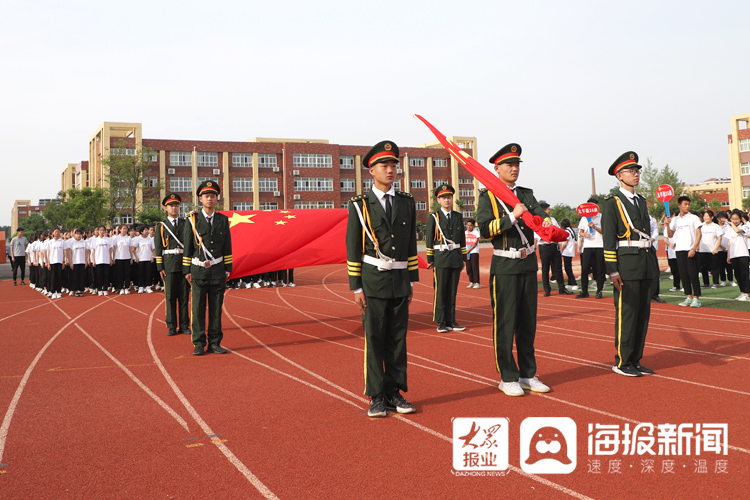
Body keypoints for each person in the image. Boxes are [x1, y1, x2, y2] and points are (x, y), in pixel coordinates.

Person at [346, 140, 419, 417]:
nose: (390, 170)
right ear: (371, 171)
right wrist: (356, 287)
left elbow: (411, 244)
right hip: (373, 281)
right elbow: (353, 246)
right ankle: (376, 395)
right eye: (384, 166)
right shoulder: (360, 205)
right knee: (375, 338)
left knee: (398, 339)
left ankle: (394, 391)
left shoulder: (406, 203)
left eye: (393, 165)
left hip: (400, 280)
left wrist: (411, 280)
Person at [476, 142, 552, 397]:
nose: (514, 169)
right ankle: (507, 376)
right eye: (509, 165)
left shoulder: (527, 194)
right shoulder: (488, 196)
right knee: (506, 323)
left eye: (517, 164)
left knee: (528, 323)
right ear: (496, 168)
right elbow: (485, 229)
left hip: (528, 264)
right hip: (505, 265)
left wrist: (549, 224)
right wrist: (512, 217)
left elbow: (541, 216)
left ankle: (527, 374)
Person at [601, 151, 655, 377]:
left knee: (643, 314)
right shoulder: (613, 203)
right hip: (626, 264)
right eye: (631, 171)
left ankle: (636, 359)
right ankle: (622, 361)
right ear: (619, 175)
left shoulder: (641, 201)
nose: (636, 174)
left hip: (644, 262)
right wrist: (612, 270)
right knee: (627, 313)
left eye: (637, 171)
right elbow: (609, 239)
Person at [183, 180, 233, 356]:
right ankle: (198, 343)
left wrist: (228, 268)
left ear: (216, 198)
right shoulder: (192, 220)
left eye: (212, 196)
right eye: (206, 196)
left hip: (217, 270)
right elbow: (188, 247)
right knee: (197, 309)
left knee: (215, 309)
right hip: (198, 271)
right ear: (200, 199)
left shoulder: (223, 220)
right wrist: (187, 270)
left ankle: (214, 342)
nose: (209, 199)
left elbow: (227, 246)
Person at [426, 184, 467, 333]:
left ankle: (452, 320)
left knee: (452, 291)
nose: (447, 200)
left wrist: (464, 257)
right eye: (443, 197)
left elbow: (462, 239)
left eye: (449, 197)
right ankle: (441, 321)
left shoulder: (457, 216)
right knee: (440, 291)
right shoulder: (434, 217)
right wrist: (430, 258)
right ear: (438, 200)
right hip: (441, 258)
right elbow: (429, 239)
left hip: (455, 258)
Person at [155, 193, 191, 337]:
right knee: (170, 297)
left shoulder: (186, 223)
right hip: (169, 264)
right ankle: (171, 325)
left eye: (176, 205)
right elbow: (158, 248)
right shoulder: (161, 226)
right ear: (166, 208)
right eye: (171, 205)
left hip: (184, 263)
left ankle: (184, 325)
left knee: (184, 296)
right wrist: (160, 267)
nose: (174, 208)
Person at [666, 196, 702, 307]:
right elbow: (670, 234)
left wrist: (693, 248)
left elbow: (699, 234)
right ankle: (688, 297)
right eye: (685, 204)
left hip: (690, 250)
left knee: (693, 275)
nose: (687, 206)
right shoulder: (675, 220)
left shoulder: (694, 218)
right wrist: (667, 224)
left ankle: (696, 298)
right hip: (679, 250)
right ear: (679, 205)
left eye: (688, 204)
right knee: (684, 275)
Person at [537, 203, 573, 297]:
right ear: (544, 210)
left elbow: (557, 231)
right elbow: (537, 236)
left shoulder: (553, 220)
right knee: (545, 269)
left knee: (558, 268)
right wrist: (549, 235)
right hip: (544, 246)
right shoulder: (538, 221)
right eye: (548, 209)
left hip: (554, 246)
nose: (550, 211)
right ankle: (547, 289)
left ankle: (562, 288)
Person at [577, 198, 606, 299]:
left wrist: (595, 227)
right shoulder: (584, 218)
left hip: (599, 246)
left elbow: (605, 231)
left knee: (599, 269)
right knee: (584, 269)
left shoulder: (602, 217)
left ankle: (599, 291)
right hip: (588, 246)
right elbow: (580, 232)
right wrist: (583, 234)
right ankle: (584, 291)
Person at [725, 209, 750, 301]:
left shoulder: (744, 227)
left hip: (743, 254)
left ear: (740, 219)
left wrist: (731, 224)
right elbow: (729, 242)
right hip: (734, 255)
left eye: (737, 219)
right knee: (737, 275)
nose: (735, 221)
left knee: (745, 274)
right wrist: (728, 255)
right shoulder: (728, 230)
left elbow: (737, 231)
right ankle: (742, 292)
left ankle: (746, 294)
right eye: (733, 219)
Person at [697, 210, 723, 289]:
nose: (705, 218)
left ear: (712, 217)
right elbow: (697, 236)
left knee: (714, 267)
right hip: (702, 250)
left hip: (713, 250)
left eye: (707, 216)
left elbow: (719, 238)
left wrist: (716, 248)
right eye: (704, 216)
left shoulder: (716, 226)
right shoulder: (700, 226)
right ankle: (706, 283)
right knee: (703, 267)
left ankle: (716, 283)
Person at [90, 226, 114, 296]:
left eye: (103, 230)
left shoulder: (108, 239)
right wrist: (94, 261)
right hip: (98, 260)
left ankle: (105, 289)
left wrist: (110, 259)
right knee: (99, 276)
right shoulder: (95, 240)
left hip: (106, 260)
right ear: (98, 231)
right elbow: (93, 251)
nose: (102, 232)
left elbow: (110, 250)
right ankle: (100, 289)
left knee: (106, 276)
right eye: (100, 230)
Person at [112, 224, 134, 294]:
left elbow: (130, 249)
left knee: (127, 274)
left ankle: (127, 288)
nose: (125, 230)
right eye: (123, 228)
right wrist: (113, 258)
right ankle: (120, 288)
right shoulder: (116, 238)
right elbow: (114, 249)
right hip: (118, 258)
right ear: (120, 230)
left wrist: (131, 258)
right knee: (119, 274)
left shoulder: (129, 238)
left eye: (126, 229)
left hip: (127, 258)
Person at [649, 215, 666, 303]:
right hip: (637, 248)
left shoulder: (649, 217)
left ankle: (654, 295)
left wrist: (652, 238)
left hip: (650, 247)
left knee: (655, 271)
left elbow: (655, 229)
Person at [133, 225, 155, 293]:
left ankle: (148, 286)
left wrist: (152, 256)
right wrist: (136, 257)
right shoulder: (138, 239)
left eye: (147, 230)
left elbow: (154, 249)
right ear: (141, 232)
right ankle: (141, 287)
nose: (147, 231)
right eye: (145, 230)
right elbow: (133, 249)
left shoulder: (150, 239)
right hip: (141, 258)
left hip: (148, 258)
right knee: (140, 273)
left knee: (148, 273)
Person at [46, 228, 66, 299]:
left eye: (58, 232)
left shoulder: (62, 242)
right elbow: (48, 253)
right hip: (52, 262)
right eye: (56, 232)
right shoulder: (50, 242)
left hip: (60, 262)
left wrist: (64, 261)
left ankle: (58, 292)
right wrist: (48, 263)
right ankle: (53, 292)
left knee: (59, 277)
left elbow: (64, 252)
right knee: (53, 278)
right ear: (53, 234)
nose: (57, 233)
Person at [67, 228, 88, 297]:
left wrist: (86, 261)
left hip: (82, 262)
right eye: (77, 234)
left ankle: (79, 290)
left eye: (80, 234)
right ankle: (72, 289)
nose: (79, 235)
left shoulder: (84, 242)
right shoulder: (71, 242)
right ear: (74, 234)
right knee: (74, 276)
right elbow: (69, 252)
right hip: (74, 262)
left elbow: (86, 252)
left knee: (81, 276)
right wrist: (70, 262)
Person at [716, 211, 734, 287]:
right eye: (721, 218)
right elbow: (716, 239)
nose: (723, 219)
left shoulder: (728, 227)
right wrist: (721, 247)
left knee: (729, 265)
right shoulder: (716, 227)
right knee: (721, 266)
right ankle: (723, 280)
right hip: (720, 249)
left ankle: (731, 280)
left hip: (728, 249)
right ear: (718, 219)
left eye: (724, 218)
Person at [559, 219, 578, 290]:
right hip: (570, 251)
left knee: (568, 268)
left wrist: (561, 250)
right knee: (568, 267)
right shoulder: (571, 230)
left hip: (567, 252)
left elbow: (565, 242)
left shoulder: (566, 231)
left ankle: (574, 283)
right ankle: (570, 283)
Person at [664, 216, 681, 292]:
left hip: (679, 250)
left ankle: (685, 285)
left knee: (681, 270)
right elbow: (665, 239)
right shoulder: (666, 228)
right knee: (674, 270)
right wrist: (670, 244)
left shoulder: (679, 228)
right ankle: (676, 285)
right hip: (671, 252)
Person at [465, 219, 481, 288]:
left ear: (473, 226)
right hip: (467, 252)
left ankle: (477, 282)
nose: (468, 227)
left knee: (475, 267)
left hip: (474, 252)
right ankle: (471, 281)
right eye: (467, 225)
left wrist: (468, 250)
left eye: (470, 225)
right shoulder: (465, 233)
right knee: (468, 268)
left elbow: (475, 243)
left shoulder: (476, 232)